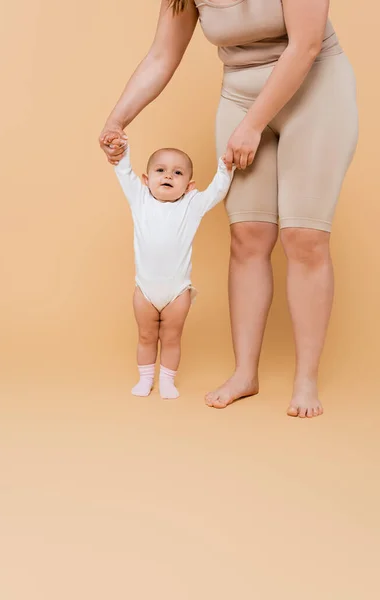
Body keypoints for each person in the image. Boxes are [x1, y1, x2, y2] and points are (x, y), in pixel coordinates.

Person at [99, 0, 358, 418]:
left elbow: (306, 45)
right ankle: (245, 374)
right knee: (247, 235)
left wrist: (253, 126)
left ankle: (306, 379)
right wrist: (117, 119)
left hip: (314, 88)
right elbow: (162, 55)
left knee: (304, 236)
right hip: (240, 93)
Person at [110, 143, 233, 399]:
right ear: (146, 180)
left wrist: (225, 168)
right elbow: (124, 172)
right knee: (145, 336)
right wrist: (122, 151)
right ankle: (145, 380)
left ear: (189, 186)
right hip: (145, 290)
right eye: (161, 170)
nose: (168, 176)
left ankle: (167, 380)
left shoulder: (192, 205)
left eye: (178, 173)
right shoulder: (140, 198)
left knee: (172, 338)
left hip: (177, 292)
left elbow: (217, 191)